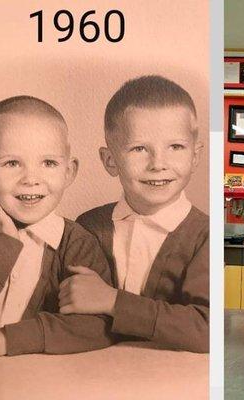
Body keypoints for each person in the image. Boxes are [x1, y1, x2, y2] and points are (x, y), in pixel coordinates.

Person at [0, 96, 115, 358]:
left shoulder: (77, 244)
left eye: (48, 163)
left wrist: (7, 339)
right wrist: (3, 247)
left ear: (69, 172)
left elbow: (99, 326)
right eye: (12, 163)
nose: (31, 179)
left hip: (47, 383)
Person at [58, 75, 209, 352]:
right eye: (139, 148)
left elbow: (206, 329)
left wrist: (113, 301)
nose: (158, 164)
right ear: (110, 160)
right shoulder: (88, 226)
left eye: (175, 147)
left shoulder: (205, 237)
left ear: (195, 156)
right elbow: (70, 309)